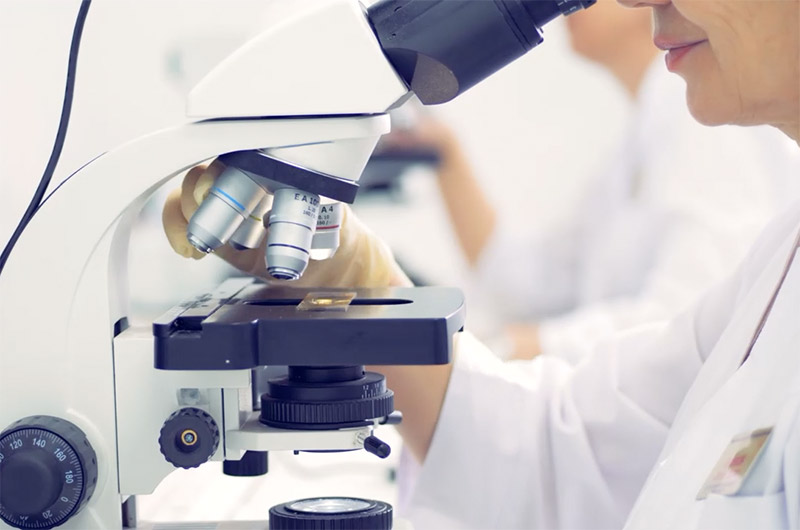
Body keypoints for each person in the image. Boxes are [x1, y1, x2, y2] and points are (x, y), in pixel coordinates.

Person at [163, 0, 800, 527]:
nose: (634, 0)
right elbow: (555, 453)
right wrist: (355, 280)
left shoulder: (693, 136)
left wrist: (509, 337)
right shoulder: (782, 262)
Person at [379, 0, 800, 364]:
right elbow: (528, 287)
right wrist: (447, 156)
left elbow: (685, 321)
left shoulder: (709, 121)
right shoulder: (639, 139)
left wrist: (505, 346)